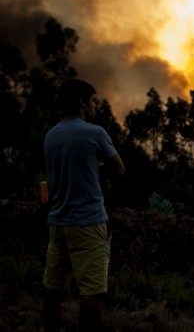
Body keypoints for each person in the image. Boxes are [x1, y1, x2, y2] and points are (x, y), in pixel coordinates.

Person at [42, 78, 125, 332]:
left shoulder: (51, 135)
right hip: (88, 223)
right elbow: (120, 169)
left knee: (52, 290)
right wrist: (101, 168)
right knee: (91, 294)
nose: (95, 107)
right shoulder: (95, 133)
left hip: (57, 223)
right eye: (93, 101)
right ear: (81, 102)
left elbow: (65, 173)